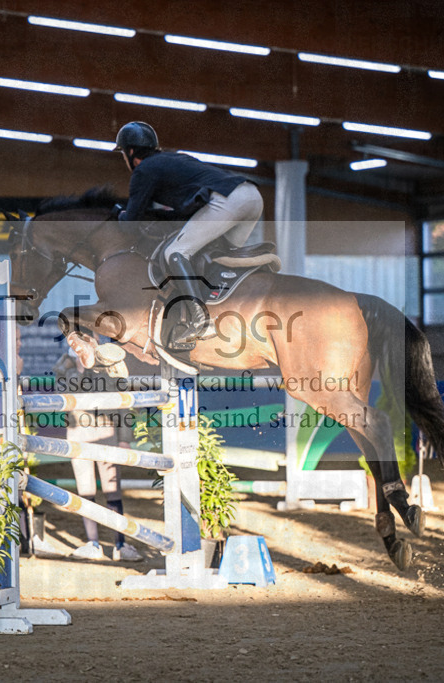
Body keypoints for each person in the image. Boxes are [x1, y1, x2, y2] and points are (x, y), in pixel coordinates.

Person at [114, 121, 264, 347]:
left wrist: (118, 215)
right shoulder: (175, 159)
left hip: (227, 200)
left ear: (130, 151)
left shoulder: (143, 170)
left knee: (175, 253)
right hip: (252, 197)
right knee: (215, 255)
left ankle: (199, 320)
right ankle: (225, 309)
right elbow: (185, 217)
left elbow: (131, 221)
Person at [52, 349, 143, 562]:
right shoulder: (66, 368)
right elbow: (61, 396)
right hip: (79, 433)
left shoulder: (109, 365)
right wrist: (72, 366)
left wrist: (124, 438)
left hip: (107, 431)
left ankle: (120, 544)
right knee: (86, 489)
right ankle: (93, 543)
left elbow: (124, 402)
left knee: (113, 489)